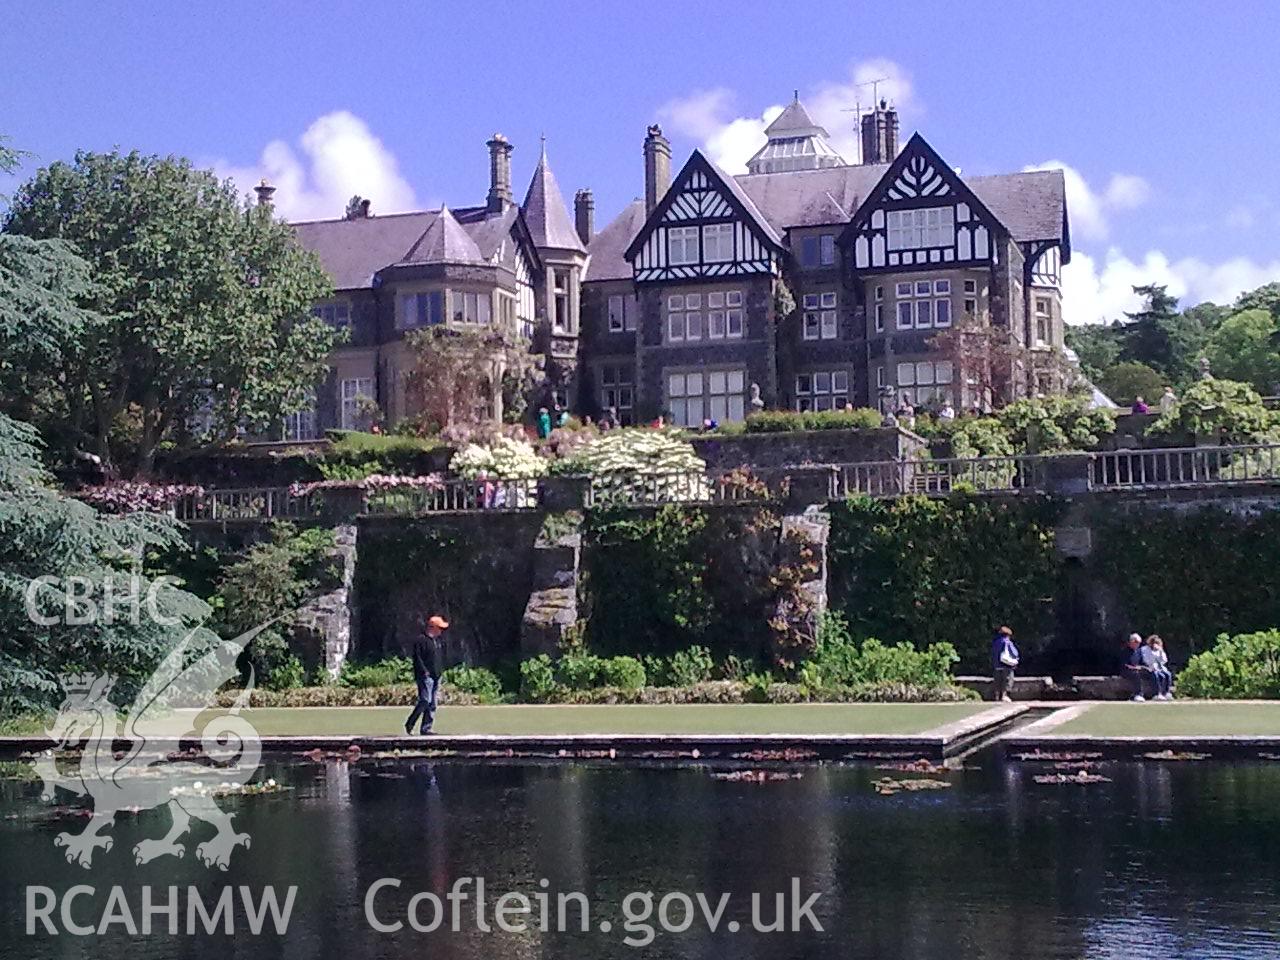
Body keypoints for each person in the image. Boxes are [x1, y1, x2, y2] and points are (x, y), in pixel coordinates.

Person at [405, 616, 446, 735]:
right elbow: (417, 658)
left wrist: (440, 672)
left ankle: (426, 728)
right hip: (425, 676)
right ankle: (410, 723)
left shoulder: (437, 641)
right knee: (425, 700)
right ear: (433, 627)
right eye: (439, 628)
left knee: (432, 703)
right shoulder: (421, 640)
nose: (441, 631)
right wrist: (424, 671)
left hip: (436, 676)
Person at [991, 626, 1019, 702]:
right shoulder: (1007, 642)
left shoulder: (995, 642)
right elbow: (1014, 653)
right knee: (1007, 680)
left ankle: (997, 696)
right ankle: (1004, 696)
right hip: (1006, 665)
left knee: (998, 681)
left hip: (997, 665)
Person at [1142, 634, 1174, 700]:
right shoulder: (1145, 649)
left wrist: (1161, 651)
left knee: (1168, 674)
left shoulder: (1159, 650)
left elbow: (1164, 660)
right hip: (1148, 667)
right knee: (1157, 675)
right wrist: (1153, 653)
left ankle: (1166, 693)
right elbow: (1147, 660)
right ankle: (1156, 694)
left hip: (1159, 668)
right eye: (1153, 643)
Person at [1122, 633, 1151, 701]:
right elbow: (1124, 664)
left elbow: (1142, 662)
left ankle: (1157, 693)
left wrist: (1147, 667)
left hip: (1137, 669)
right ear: (1131, 642)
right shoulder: (1125, 651)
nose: (1138, 644)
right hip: (1126, 671)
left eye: (1139, 643)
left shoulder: (1138, 651)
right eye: (1136, 642)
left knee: (1150, 672)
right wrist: (1134, 668)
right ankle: (1138, 694)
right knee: (1136, 674)